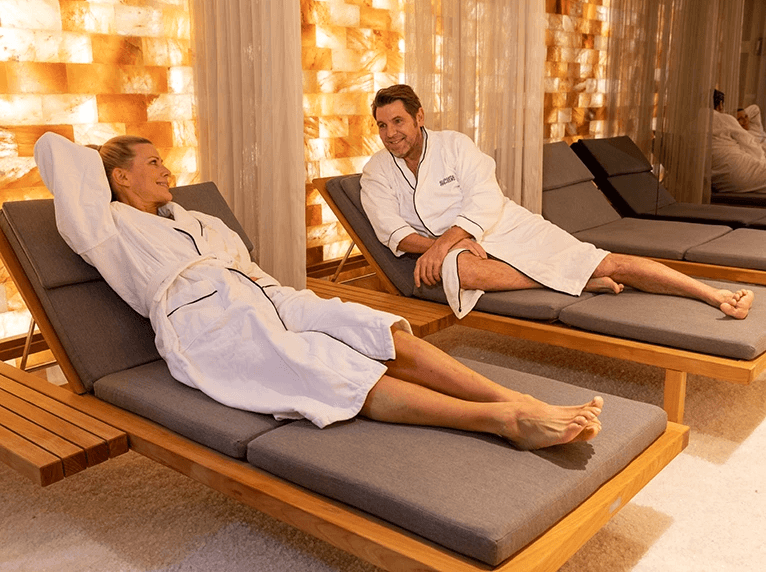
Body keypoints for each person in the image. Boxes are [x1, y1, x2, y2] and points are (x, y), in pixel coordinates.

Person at [33, 131, 604, 450]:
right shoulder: (105, 228)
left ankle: (514, 397)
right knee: (326, 364)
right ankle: (504, 421)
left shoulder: (197, 219)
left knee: (375, 328)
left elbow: (244, 265)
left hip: (265, 292)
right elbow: (54, 151)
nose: (167, 170)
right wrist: (104, 159)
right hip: (205, 323)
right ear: (120, 177)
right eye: (153, 163)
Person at [360, 84, 754, 319]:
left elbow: (485, 199)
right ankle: (578, 281)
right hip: (458, 252)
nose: (391, 133)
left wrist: (448, 241)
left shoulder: (455, 145)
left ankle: (713, 294)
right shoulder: (376, 171)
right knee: (462, 272)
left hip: (504, 226)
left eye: (398, 121)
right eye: (382, 125)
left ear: (419, 117)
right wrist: (444, 248)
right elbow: (391, 230)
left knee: (605, 259)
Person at [712, 106, 766, 193]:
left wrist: (741, 114)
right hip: (759, 161)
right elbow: (753, 150)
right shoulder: (733, 130)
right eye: (740, 119)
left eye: (746, 117)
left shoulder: (755, 129)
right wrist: (733, 117)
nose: (745, 121)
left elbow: (755, 109)